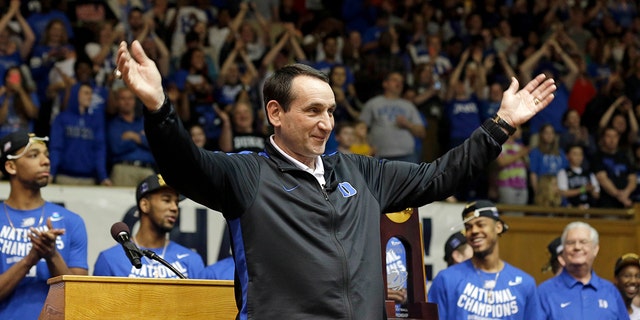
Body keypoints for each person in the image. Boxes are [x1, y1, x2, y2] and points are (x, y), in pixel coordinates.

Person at [115, 39, 556, 319]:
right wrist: (159, 108)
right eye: (312, 111)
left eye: (330, 111)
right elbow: (183, 166)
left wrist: (500, 125)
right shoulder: (247, 173)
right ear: (275, 113)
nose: (326, 123)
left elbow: (441, 176)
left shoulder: (362, 172)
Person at [0, 129, 88, 319]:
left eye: (46, 155)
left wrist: (51, 255)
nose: (46, 161)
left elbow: (78, 296)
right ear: (11, 167)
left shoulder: (72, 221)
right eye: (34, 155)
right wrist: (30, 259)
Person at [428, 200, 543, 319]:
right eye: (468, 227)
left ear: (498, 227)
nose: (474, 231)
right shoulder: (446, 279)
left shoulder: (525, 284)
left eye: (481, 224)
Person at [93, 174, 205, 278]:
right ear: (145, 205)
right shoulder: (110, 259)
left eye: (176, 202)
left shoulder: (192, 260)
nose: (174, 208)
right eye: (166, 200)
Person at [537, 221, 629, 319]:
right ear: (563, 251)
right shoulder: (544, 292)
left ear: (595, 249)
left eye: (583, 242)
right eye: (570, 243)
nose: (577, 247)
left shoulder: (611, 292)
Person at [49, 83, 111, 186]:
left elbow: (99, 150)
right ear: (75, 95)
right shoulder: (62, 119)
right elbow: (56, 148)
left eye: (91, 93)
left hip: (88, 179)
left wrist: (103, 177)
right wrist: (51, 172)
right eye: (86, 93)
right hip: (64, 177)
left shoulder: (95, 121)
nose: (90, 96)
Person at [359, 71, 426, 163]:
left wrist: (408, 124)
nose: (399, 83)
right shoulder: (372, 104)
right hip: (379, 156)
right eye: (395, 80)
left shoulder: (409, 106)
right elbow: (360, 129)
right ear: (385, 83)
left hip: (406, 156)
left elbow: (422, 133)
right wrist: (367, 146)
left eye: (401, 82)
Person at [613, 253, 640, 319]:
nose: (633, 281)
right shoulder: (607, 312)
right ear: (616, 279)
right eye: (627, 276)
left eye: (638, 276)